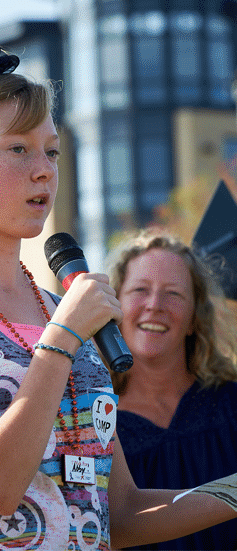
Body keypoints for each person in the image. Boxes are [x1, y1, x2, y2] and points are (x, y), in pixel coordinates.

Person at [0, 36, 237, 549]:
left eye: (51, 151)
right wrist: (61, 340)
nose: (44, 170)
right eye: (18, 149)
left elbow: (118, 510)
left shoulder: (61, 309)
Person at [105, 230, 237, 550]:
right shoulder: (96, 422)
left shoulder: (232, 405)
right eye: (140, 290)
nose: (155, 305)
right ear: (113, 310)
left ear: (194, 318)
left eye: (173, 294)